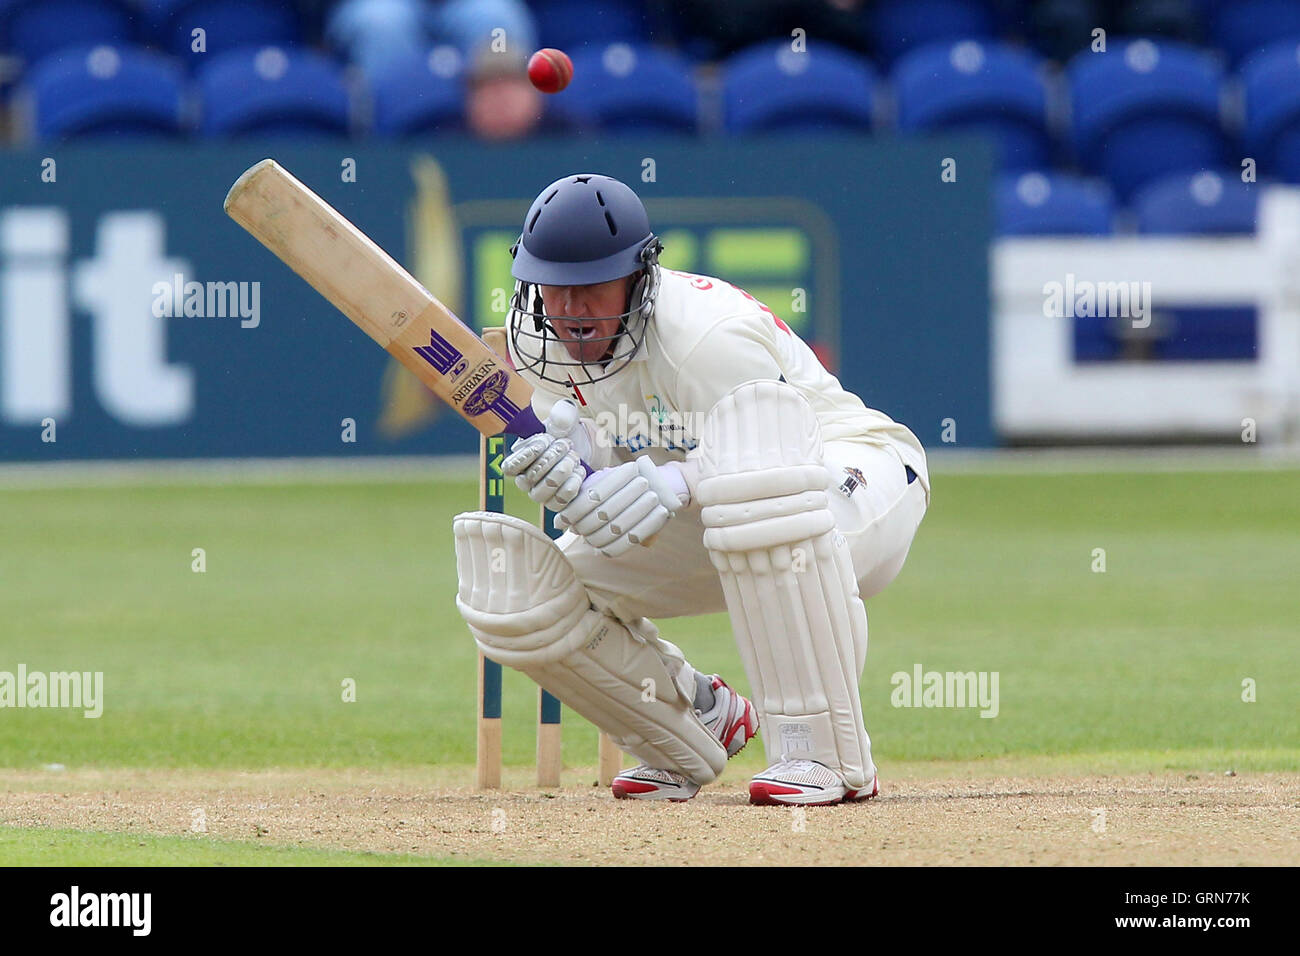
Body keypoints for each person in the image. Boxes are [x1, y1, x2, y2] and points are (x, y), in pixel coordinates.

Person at [453, 173, 929, 805]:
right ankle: (691, 720)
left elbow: (772, 443)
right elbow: (609, 448)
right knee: (524, 596)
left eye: (590, 288)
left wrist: (673, 479)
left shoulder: (704, 336)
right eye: (555, 289)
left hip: (854, 479)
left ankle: (823, 753)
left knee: (758, 499)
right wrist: (576, 474)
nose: (569, 310)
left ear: (639, 275)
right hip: (722, 516)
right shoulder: (539, 340)